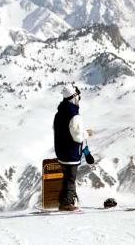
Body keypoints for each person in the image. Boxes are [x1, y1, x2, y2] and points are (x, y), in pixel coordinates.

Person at [53, 83, 89, 211]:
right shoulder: (74, 115)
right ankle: (67, 204)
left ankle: (64, 200)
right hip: (71, 152)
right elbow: (78, 137)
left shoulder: (59, 113)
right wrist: (86, 133)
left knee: (66, 177)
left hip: (61, 151)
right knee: (70, 179)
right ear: (74, 97)